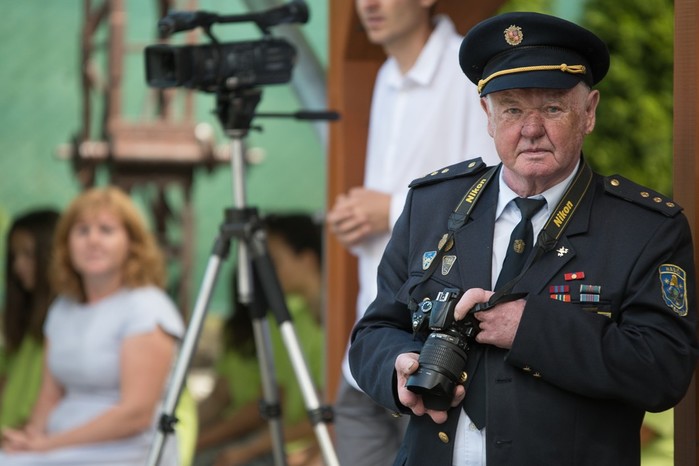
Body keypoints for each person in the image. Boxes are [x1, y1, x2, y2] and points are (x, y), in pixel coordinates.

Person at [348, 11, 698, 466]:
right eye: (512, 109)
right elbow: (374, 332)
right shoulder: (431, 206)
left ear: (589, 112)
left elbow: (664, 370)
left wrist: (530, 329)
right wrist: (396, 370)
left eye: (552, 108)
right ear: (488, 116)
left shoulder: (644, 228)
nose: (530, 130)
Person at [326, 1, 498, 464]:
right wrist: (360, 218)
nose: (369, 4)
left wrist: (387, 211)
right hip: (372, 342)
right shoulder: (386, 75)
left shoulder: (468, 73)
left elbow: (496, 194)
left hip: (434, 352)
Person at [0, 186, 186, 465]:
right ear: (66, 244)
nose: (93, 241)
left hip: (123, 452)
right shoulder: (63, 308)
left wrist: (48, 445)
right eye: (82, 231)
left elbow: (135, 415)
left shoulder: (147, 307)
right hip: (60, 446)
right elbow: (49, 396)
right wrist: (30, 438)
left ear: (132, 243)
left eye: (106, 230)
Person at [195, 213, 324, 466]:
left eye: (274, 261)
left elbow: (333, 412)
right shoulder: (288, 320)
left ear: (307, 259)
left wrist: (248, 449)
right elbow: (275, 399)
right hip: (281, 444)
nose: (265, 271)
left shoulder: (337, 322)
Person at [0, 209, 60, 430]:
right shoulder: (18, 321)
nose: (18, 266)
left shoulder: (66, 320)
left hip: (38, 439)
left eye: (28, 254)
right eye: (14, 256)